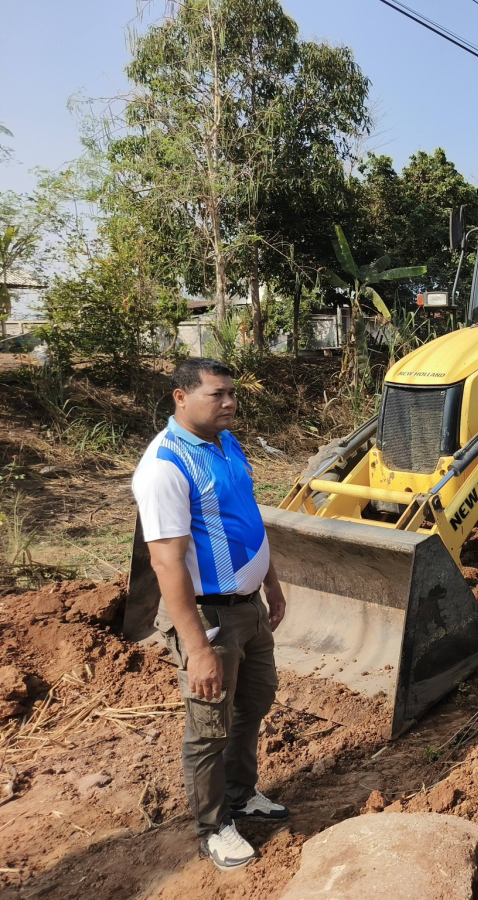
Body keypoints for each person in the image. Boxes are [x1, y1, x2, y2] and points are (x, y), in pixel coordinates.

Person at [132, 357, 289, 871]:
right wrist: (197, 648)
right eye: (216, 394)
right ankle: (214, 825)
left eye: (231, 393)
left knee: (255, 701)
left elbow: (247, 512)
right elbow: (166, 562)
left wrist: (271, 582)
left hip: (250, 608)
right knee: (208, 727)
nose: (229, 403)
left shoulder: (226, 441)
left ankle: (242, 794)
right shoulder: (164, 467)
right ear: (180, 397)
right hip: (210, 619)